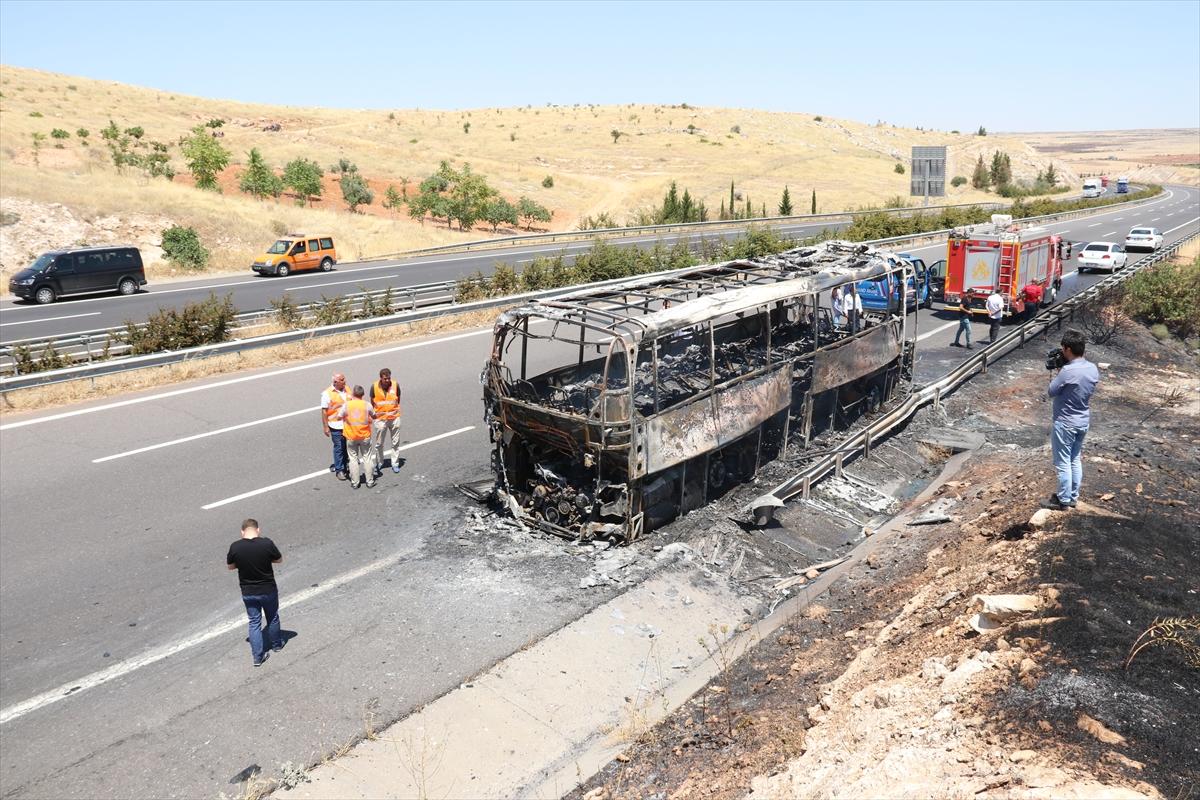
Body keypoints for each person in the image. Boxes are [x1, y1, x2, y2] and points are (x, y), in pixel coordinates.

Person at [1043, 329, 1100, 510]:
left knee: (1062, 462)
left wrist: (1060, 370)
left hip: (1065, 422)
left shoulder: (1067, 371)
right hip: (1082, 421)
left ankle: (1063, 500)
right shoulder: (1092, 368)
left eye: (1063, 349)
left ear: (1067, 349)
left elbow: (1052, 391)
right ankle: (1073, 496)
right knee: (1075, 459)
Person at [226, 519, 283, 667]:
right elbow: (279, 559)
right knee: (272, 617)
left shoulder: (235, 547)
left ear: (242, 532)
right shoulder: (266, 543)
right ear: (258, 530)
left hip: (248, 591)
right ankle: (277, 644)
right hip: (268, 589)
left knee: (254, 622)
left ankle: (258, 657)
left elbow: (231, 567)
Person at [339, 385, 376, 488]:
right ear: (362, 394)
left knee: (353, 459)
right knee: (367, 458)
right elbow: (374, 416)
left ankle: (355, 482)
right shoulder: (367, 405)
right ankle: (369, 481)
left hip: (351, 436)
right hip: (364, 436)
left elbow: (339, 416)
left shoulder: (347, 405)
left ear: (353, 394)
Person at [370, 368, 403, 476]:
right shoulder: (374, 387)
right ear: (381, 378)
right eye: (385, 378)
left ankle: (395, 463)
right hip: (380, 420)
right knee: (379, 443)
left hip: (394, 418)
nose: (387, 380)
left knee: (395, 442)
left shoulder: (395, 385)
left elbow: (398, 399)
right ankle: (380, 462)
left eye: (389, 378)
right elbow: (372, 402)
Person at [321, 373, 349, 480]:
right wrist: (325, 427)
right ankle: (339, 470)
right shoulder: (327, 394)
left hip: (347, 424)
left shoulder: (347, 389)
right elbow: (324, 411)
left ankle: (346, 465)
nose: (344, 381)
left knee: (347, 446)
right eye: (342, 380)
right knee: (339, 448)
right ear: (335, 382)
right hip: (336, 425)